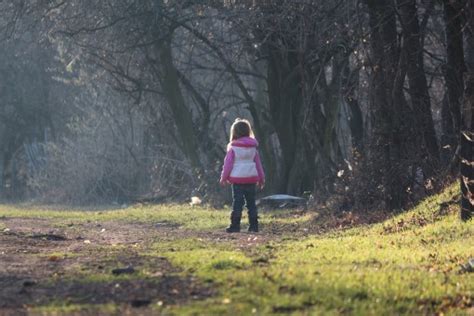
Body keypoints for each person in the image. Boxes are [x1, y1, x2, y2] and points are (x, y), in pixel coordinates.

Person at [220, 118, 265, 233]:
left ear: (234, 132)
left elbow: (227, 165)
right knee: (251, 203)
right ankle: (254, 226)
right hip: (251, 178)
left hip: (237, 179)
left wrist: (224, 178)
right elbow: (258, 164)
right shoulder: (253, 148)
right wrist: (261, 178)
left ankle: (235, 225)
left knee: (237, 203)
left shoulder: (233, 148)